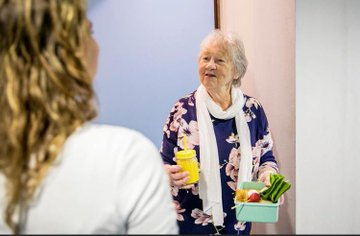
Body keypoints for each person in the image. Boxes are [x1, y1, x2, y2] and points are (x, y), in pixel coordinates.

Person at [0, 0, 178, 234]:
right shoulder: (128, 158)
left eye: (219, 59)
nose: (210, 66)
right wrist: (150, 183)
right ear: (71, 55)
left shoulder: (244, 109)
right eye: (90, 31)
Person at [160, 29, 280, 234]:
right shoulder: (182, 110)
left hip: (239, 223)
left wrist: (269, 175)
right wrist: (167, 175)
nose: (209, 65)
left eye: (220, 60)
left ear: (237, 71)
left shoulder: (253, 110)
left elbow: (266, 157)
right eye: (205, 58)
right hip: (190, 223)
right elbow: (163, 162)